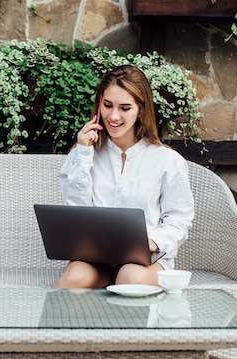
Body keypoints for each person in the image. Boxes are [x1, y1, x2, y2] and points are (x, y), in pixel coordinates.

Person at [51, 65, 195, 289]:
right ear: (99, 106)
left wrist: (152, 242)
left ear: (141, 110)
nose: (114, 116)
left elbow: (179, 219)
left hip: (146, 261)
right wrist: (83, 153)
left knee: (130, 278)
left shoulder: (168, 161)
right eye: (107, 105)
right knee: (73, 278)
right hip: (96, 259)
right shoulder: (83, 154)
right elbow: (75, 212)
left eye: (125, 108)